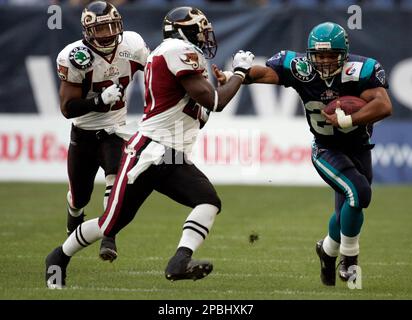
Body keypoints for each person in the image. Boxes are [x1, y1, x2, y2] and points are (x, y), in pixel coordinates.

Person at [45, 6, 254, 288]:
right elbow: (216, 102)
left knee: (208, 201)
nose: (205, 38)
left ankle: (179, 261)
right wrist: (240, 72)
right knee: (109, 224)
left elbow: (198, 106)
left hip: (168, 153)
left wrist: (219, 87)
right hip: (148, 152)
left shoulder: (167, 53)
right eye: (200, 31)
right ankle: (58, 257)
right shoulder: (176, 50)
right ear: (184, 32)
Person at [216, 22, 392, 286]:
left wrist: (350, 119)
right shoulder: (298, 67)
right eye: (319, 55)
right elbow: (263, 74)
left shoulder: (362, 70)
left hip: (358, 147)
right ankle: (349, 257)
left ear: (343, 53)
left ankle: (327, 250)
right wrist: (235, 75)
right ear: (310, 54)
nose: (324, 61)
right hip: (326, 149)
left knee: (348, 206)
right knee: (359, 193)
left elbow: (384, 105)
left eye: (330, 55)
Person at [55, 0, 150, 263]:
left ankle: (108, 238)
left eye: (112, 26)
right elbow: (67, 108)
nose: (107, 33)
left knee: (115, 181)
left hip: (115, 130)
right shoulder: (74, 56)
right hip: (84, 133)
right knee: (78, 197)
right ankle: (73, 228)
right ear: (87, 31)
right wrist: (98, 101)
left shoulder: (132, 45)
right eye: (100, 28)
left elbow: (156, 73)